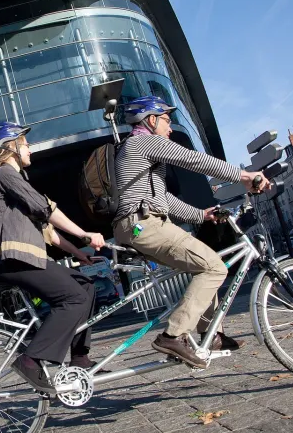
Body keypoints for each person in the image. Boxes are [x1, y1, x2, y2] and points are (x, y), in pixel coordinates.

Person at [113, 96, 270, 369]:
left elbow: (163, 197)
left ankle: (212, 335)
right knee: (214, 267)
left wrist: (201, 215)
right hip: (144, 224)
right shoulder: (143, 142)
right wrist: (244, 175)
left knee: (204, 264)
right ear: (151, 120)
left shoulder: (136, 148)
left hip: (139, 223)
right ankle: (173, 336)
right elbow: (193, 159)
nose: (170, 127)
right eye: (166, 120)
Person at [0, 121, 106, 390]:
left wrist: (78, 252)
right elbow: (45, 209)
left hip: (21, 258)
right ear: (11, 147)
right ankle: (31, 360)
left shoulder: (14, 181)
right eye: (25, 144)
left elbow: (47, 229)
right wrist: (84, 234)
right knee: (73, 298)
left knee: (85, 285)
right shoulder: (4, 174)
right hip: (10, 258)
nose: (30, 149)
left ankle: (80, 358)